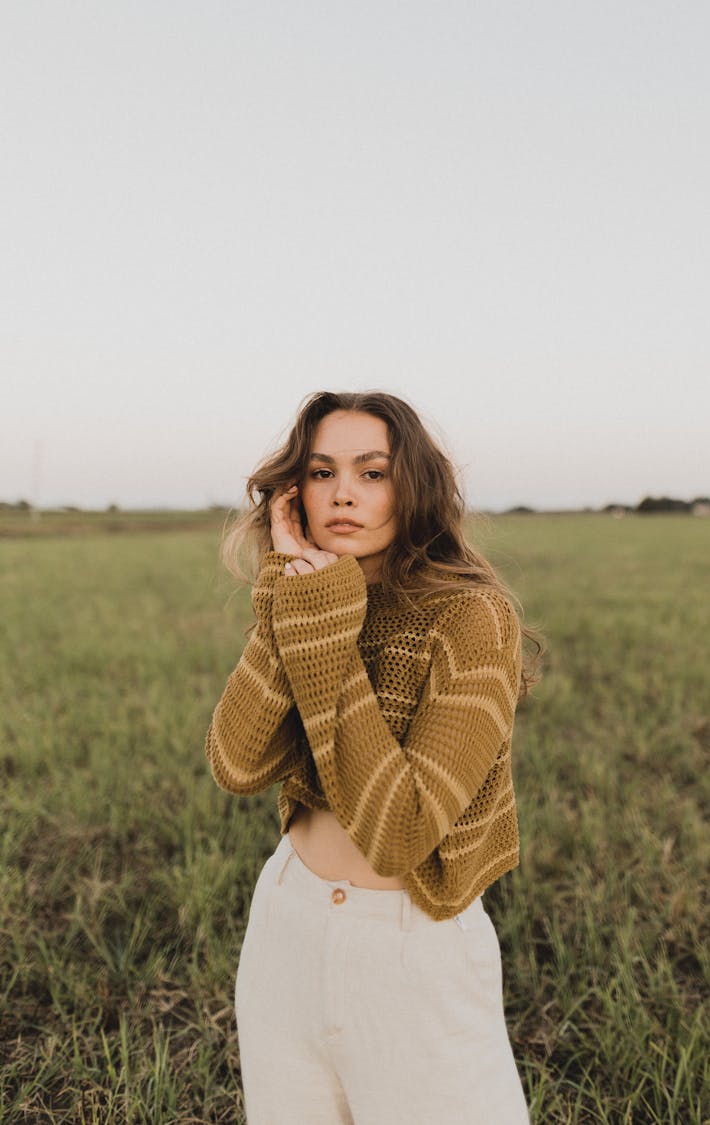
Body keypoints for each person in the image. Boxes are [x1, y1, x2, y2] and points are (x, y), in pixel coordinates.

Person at [205, 390, 543, 1124]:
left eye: (372, 472)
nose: (344, 493)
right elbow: (235, 762)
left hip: (411, 948)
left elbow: (400, 831)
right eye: (322, 472)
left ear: (412, 486)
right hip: (286, 927)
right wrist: (288, 598)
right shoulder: (308, 595)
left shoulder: (473, 619)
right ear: (295, 491)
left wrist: (322, 629)